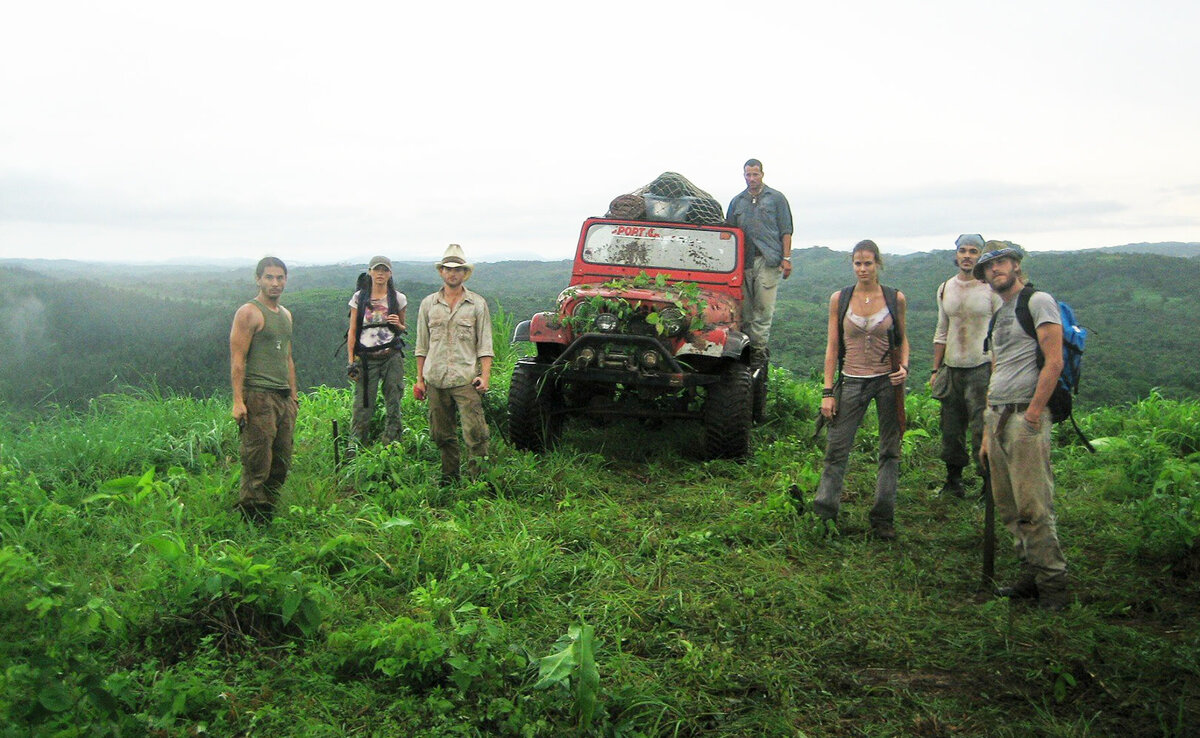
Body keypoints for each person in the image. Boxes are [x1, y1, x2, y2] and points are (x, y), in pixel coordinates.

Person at [976, 243, 1070, 610]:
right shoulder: (1000, 313)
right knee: (1009, 506)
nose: (995, 269)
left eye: (1001, 262)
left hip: (1023, 418)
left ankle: (1053, 586)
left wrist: (1032, 415)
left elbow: (1054, 361)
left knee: (1033, 506)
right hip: (998, 416)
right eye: (988, 266)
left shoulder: (1038, 301)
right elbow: (996, 370)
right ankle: (1029, 574)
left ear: (1016, 265)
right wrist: (987, 431)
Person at [812, 240, 910, 540]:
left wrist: (903, 366)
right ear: (852, 265)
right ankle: (825, 514)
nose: (863, 268)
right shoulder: (839, 299)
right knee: (836, 450)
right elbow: (831, 347)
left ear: (877, 263)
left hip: (887, 381)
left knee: (889, 451)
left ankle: (883, 518)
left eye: (868, 263)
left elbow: (903, 339)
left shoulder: (895, 298)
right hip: (851, 380)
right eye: (857, 263)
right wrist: (828, 392)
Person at [413, 244, 494, 484]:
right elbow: (421, 346)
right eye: (448, 269)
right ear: (441, 272)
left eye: (457, 269)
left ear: (464, 273)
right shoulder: (428, 304)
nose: (452, 273)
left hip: (465, 379)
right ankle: (449, 479)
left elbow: (485, 345)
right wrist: (420, 379)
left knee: (475, 434)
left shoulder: (477, 304)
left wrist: (485, 376)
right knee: (441, 435)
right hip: (436, 379)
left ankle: (479, 483)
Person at [930, 234, 1002, 497]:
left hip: (981, 367)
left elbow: (999, 333)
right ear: (956, 254)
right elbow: (942, 330)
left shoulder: (990, 290)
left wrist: (998, 367)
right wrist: (935, 369)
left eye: (973, 251)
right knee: (950, 428)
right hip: (952, 367)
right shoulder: (945, 287)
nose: (967, 256)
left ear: (980, 256)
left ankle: (988, 486)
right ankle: (953, 481)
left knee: (981, 428)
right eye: (963, 250)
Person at [229, 256, 298, 523]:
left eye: (280, 277)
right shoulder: (249, 312)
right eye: (269, 277)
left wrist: (293, 396)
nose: (275, 283)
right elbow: (238, 359)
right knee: (257, 459)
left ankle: (268, 510)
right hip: (258, 395)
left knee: (281, 460)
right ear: (258, 279)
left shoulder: (286, 315)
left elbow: (288, 357)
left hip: (282, 397)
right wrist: (238, 400)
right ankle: (250, 517)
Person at [726, 158, 794, 365]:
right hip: (742, 263)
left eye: (755, 174)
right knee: (744, 312)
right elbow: (729, 232)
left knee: (763, 309)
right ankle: (743, 353)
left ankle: (757, 353)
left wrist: (787, 258)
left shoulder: (776, 198)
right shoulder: (737, 201)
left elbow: (786, 229)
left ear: (762, 174)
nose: (752, 178)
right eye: (748, 174)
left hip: (769, 259)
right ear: (744, 175)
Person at [347, 255, 408, 447]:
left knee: (394, 402)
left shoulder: (398, 298)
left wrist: (399, 324)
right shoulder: (359, 298)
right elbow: (353, 330)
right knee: (363, 405)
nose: (380, 273)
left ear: (390, 274)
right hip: (366, 358)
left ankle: (392, 446)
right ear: (370, 272)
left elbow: (402, 328)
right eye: (376, 269)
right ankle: (356, 448)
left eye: (384, 270)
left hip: (391, 356)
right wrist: (351, 361)